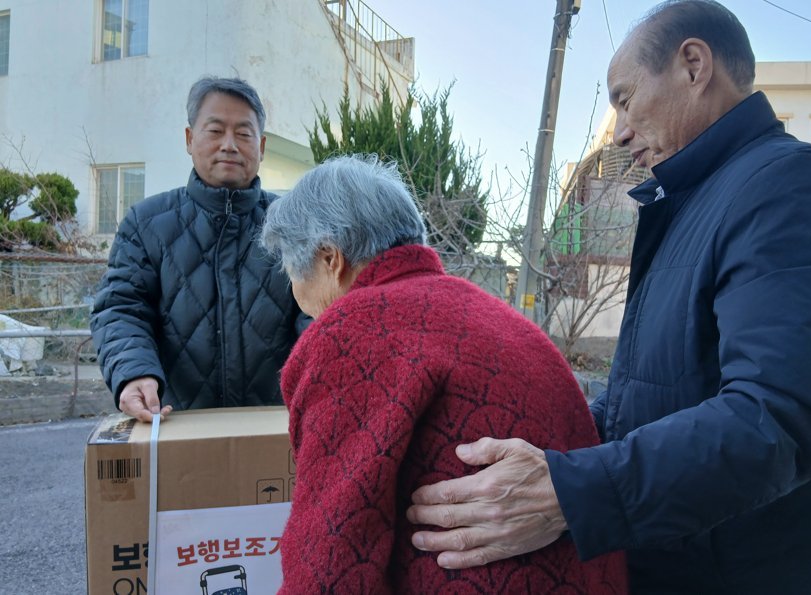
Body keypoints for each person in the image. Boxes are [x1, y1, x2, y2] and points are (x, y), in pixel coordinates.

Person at [405, 1, 811, 593]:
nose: (619, 132)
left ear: (694, 66)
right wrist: (547, 443)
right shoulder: (689, 205)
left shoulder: (788, 186)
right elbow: (649, 397)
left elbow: (781, 415)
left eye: (624, 98)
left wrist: (570, 493)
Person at [260, 155, 628, 593]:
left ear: (330, 259)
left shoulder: (353, 330)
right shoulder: (490, 313)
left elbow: (331, 556)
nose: (296, 293)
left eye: (292, 273)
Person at [90, 76, 302, 423]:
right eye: (215, 130)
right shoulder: (147, 223)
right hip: (174, 424)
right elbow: (121, 308)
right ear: (190, 139)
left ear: (261, 146)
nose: (229, 145)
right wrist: (133, 372)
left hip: (279, 426)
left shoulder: (294, 224)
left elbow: (321, 314)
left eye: (244, 133)